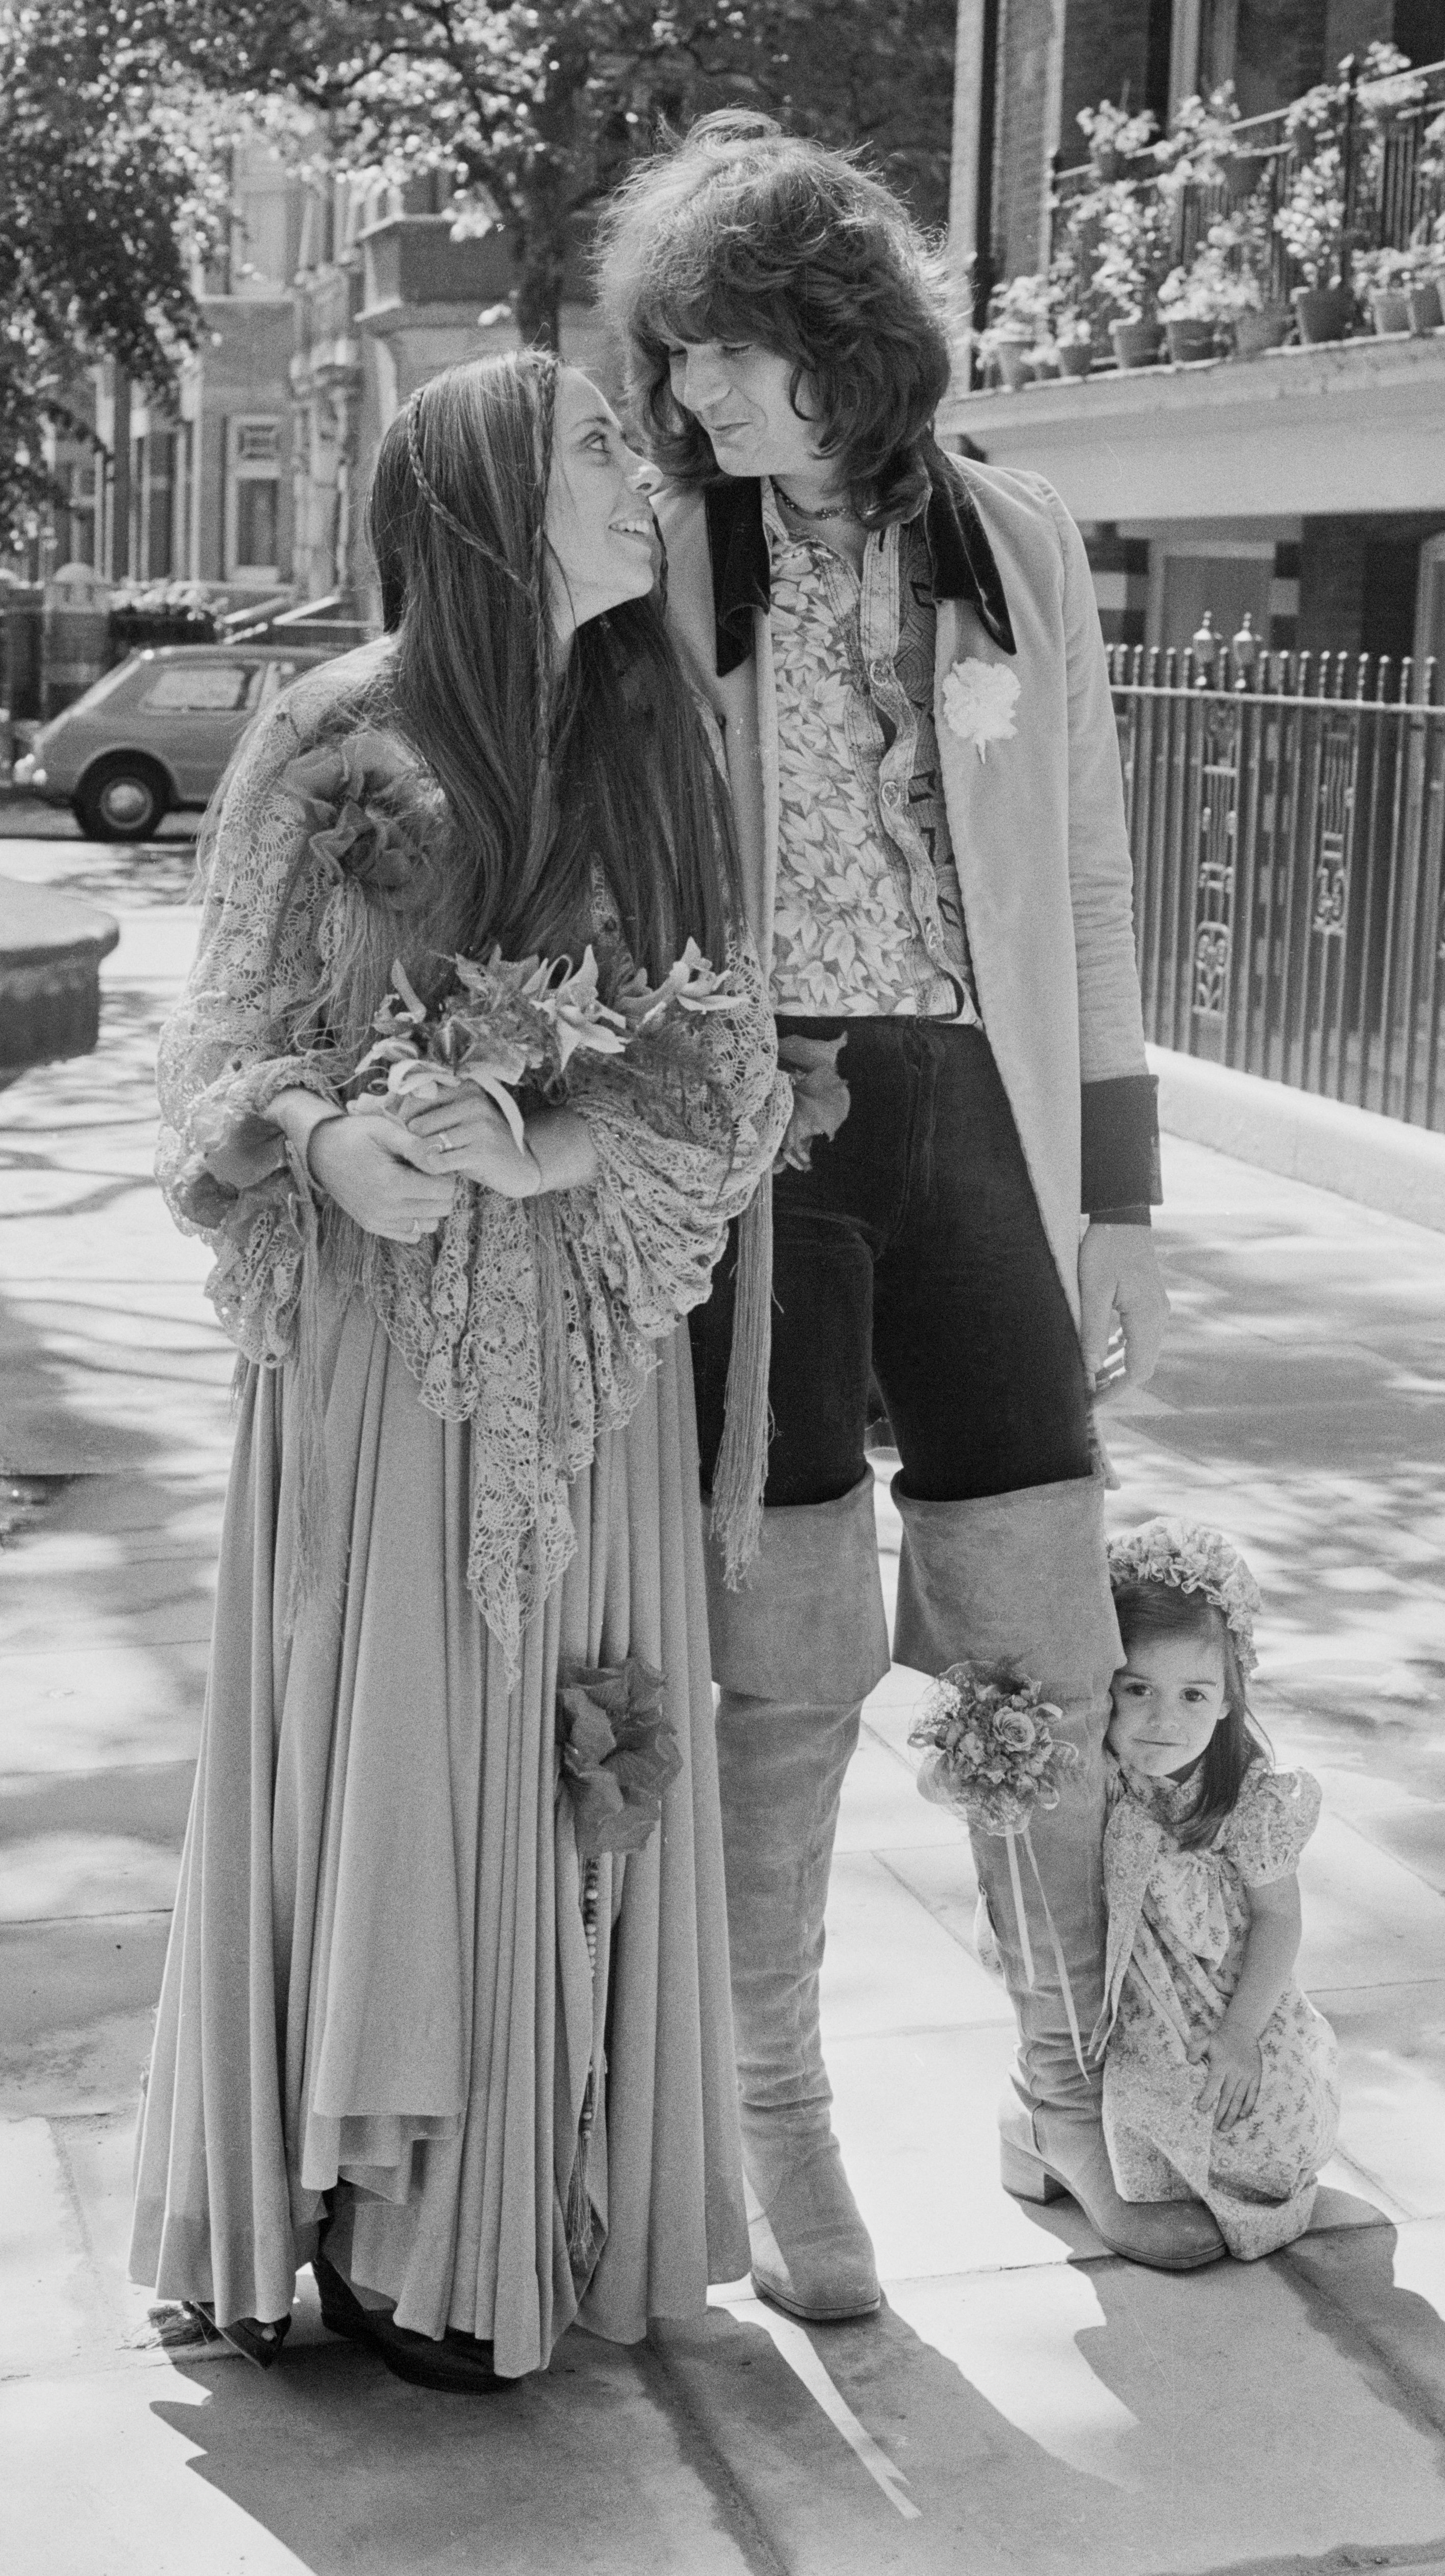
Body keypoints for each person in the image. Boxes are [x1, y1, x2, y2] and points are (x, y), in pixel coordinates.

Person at [597, 115, 1220, 2321]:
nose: (699, 400)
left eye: (735, 358)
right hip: (759, 1140)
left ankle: (1064, 2082)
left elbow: (1088, 875)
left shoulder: (1011, 545)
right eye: (679, 365)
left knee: (1037, 1626)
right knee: (782, 1653)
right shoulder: (671, 554)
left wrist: (1115, 1203)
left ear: (846, 342)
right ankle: (778, 2118)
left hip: (976, 1126)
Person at [128, 350, 790, 2390]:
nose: (640, 468)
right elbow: (204, 1058)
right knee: (384, 1745)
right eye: (597, 441)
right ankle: (355, 2204)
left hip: (584, 1353)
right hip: (371, 1350)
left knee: (561, 1762)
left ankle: (496, 2222)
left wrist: (557, 1137)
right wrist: (322, 1140)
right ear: (493, 495)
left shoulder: (665, 728)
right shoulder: (328, 733)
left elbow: (727, 1067)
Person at [1077, 1518, 1341, 2260]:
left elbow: (1276, 1920)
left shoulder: (1244, 1800)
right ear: (1106, 1686)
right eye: (1138, 1689)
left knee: (1267, 2132)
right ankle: (1068, 2128)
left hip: (1225, 1998)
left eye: (1194, 1694)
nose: (1164, 1719)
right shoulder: (1096, 1771)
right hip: (1125, 1996)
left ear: (1228, 1698)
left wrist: (1239, 2035)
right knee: (1171, 2103)